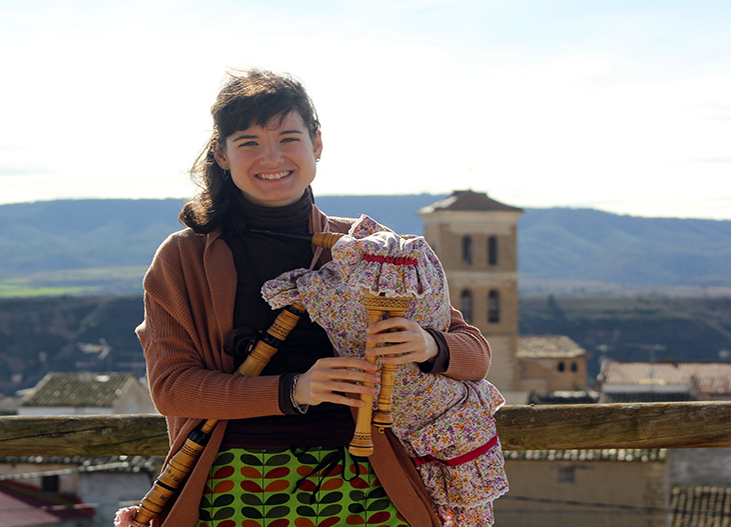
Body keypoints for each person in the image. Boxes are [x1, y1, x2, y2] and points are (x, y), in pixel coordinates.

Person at [115, 69, 492, 527]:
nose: (270, 157)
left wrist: (431, 345)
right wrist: (295, 389)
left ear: (316, 144)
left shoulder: (373, 247)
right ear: (222, 154)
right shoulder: (183, 258)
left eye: (288, 138)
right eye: (248, 142)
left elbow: (475, 357)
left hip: (375, 479)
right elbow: (173, 389)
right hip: (238, 482)